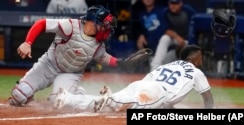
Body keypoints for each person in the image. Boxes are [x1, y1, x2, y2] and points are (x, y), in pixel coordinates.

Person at [8, 5, 150, 107]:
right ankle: (27, 95)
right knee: (19, 96)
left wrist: (120, 63)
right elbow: (42, 24)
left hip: (70, 73)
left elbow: (104, 58)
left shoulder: (98, 43)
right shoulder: (70, 26)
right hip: (49, 64)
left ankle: (78, 93)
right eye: (104, 26)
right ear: (92, 22)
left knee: (58, 101)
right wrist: (28, 42)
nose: (106, 30)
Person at [53, 45, 214, 111]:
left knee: (114, 104)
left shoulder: (167, 66)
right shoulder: (196, 72)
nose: (202, 60)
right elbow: (208, 100)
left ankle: (70, 97)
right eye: (201, 57)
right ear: (195, 59)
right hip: (157, 93)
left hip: (142, 86)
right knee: (115, 104)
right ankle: (109, 98)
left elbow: (158, 96)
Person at [150, 0, 197, 71]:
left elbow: (197, 22)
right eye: (171, 3)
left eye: (176, 3)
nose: (173, 6)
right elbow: (165, 30)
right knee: (165, 38)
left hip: (187, 40)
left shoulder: (187, 10)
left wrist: (188, 41)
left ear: (181, 3)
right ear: (168, 4)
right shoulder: (165, 12)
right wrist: (177, 38)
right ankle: (154, 68)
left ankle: (192, 71)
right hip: (175, 38)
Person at [135, 0, 167, 72]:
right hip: (150, 47)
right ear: (142, 0)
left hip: (164, 46)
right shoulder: (142, 14)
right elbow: (141, 29)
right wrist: (141, 35)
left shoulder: (162, 11)